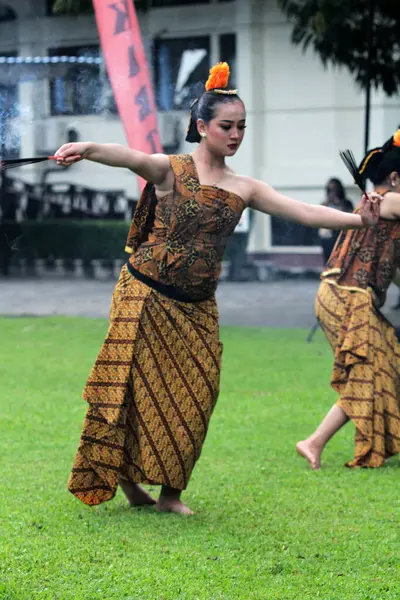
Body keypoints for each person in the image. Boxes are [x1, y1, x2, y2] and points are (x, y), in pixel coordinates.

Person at [55, 62, 380, 515]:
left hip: (196, 307)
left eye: (242, 126)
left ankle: (170, 494)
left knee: (199, 393)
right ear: (202, 127)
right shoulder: (171, 170)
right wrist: (87, 148)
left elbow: (302, 212)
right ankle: (129, 482)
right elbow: (127, 155)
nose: (236, 134)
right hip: (144, 295)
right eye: (227, 126)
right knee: (130, 390)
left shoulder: (244, 187)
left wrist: (359, 220)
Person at [297, 129, 400, 471]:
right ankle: (313, 442)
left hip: (346, 296)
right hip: (346, 297)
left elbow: (391, 269)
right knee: (368, 371)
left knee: (387, 362)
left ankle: (314, 442)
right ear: (396, 178)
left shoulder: (381, 208)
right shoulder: (387, 200)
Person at [318, 178, 354, 265]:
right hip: (328, 236)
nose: (332, 193)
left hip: (341, 234)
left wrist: (338, 202)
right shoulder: (325, 203)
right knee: (328, 258)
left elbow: (350, 215)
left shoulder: (346, 203)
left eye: (334, 190)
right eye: (330, 190)